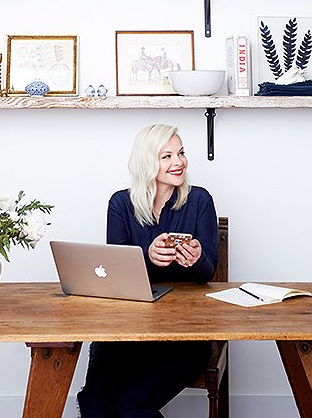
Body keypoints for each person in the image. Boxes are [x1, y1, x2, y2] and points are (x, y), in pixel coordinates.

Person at [77, 123, 219, 418]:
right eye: (166, 156)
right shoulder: (120, 203)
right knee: (93, 399)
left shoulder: (200, 200)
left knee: (132, 404)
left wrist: (196, 259)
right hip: (126, 331)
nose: (178, 162)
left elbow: (209, 273)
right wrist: (147, 256)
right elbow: (113, 272)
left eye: (180, 153)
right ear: (146, 162)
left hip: (184, 334)